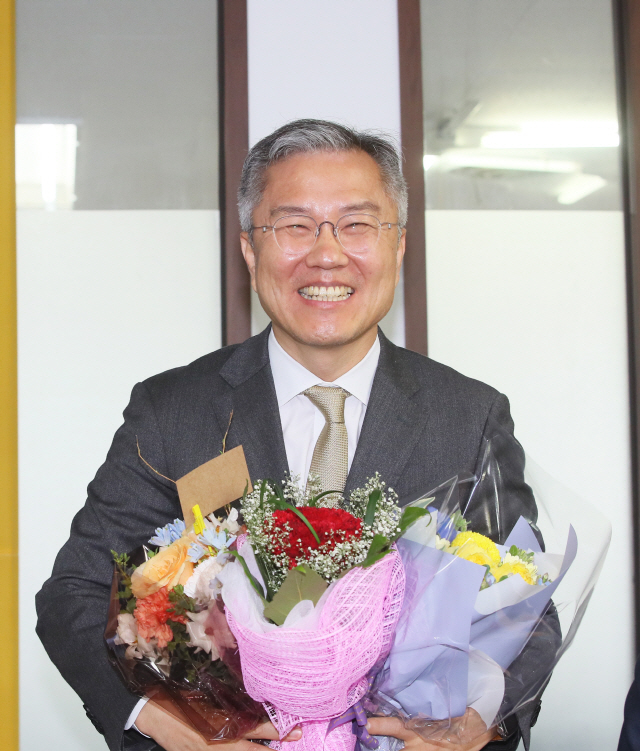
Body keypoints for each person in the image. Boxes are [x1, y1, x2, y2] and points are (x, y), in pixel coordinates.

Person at [36, 119, 549, 751]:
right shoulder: (174, 410)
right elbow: (76, 593)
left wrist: (480, 721)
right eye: (294, 225)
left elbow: (528, 609)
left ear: (399, 245)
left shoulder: (468, 416)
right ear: (251, 248)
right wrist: (161, 721)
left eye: (357, 224)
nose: (326, 253)